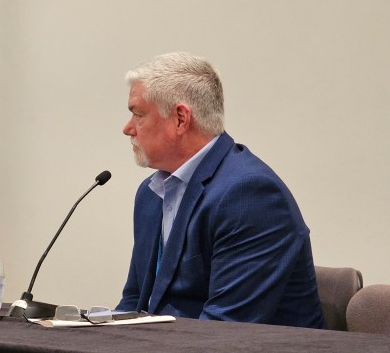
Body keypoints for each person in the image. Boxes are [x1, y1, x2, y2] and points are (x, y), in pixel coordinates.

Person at [115, 52, 323, 327]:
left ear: (180, 119)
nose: (127, 129)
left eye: (138, 115)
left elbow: (223, 329)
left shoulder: (250, 195)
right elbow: (135, 301)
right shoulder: (151, 194)